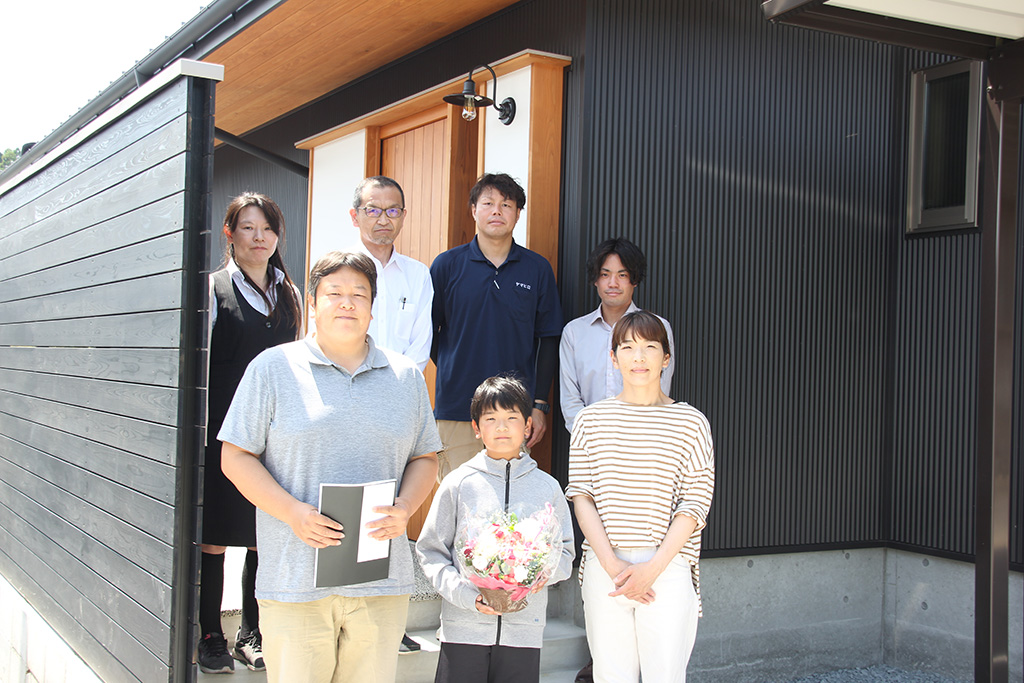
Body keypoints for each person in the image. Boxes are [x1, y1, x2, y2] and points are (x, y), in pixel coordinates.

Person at [219, 251, 441, 683]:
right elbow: (236, 456)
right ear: (314, 304)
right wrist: (293, 513)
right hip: (295, 581)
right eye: (334, 293)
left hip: (380, 583)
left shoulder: (405, 377)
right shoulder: (273, 368)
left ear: (373, 308)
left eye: (359, 294)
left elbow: (425, 457)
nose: (347, 303)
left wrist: (407, 506)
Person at [566, 311, 714, 683]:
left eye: (650, 347)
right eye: (628, 348)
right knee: (610, 675)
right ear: (613, 357)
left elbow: (695, 503)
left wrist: (652, 569)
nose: (639, 357)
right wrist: (614, 567)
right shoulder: (590, 420)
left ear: (666, 358)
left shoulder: (691, 422)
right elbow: (581, 496)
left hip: (667, 567)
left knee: (665, 675)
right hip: (605, 569)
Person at [199, 192, 302, 674]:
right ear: (230, 234)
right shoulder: (214, 290)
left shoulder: (291, 294)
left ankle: (251, 633)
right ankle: (210, 634)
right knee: (215, 538)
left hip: (273, 435)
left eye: (267, 228)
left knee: (264, 536)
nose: (258, 237)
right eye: (247, 228)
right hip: (223, 434)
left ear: (277, 235)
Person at [416, 376, 574, 683]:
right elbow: (431, 552)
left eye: (511, 418)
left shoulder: (547, 488)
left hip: (523, 630)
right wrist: (465, 596)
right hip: (464, 628)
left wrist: (534, 578)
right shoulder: (458, 484)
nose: (502, 427)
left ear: (528, 426)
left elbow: (564, 553)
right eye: (491, 419)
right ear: (476, 429)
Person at [430, 173, 562, 479]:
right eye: (488, 203)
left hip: (515, 410)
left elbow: (549, 339)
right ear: (474, 210)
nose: (497, 211)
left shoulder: (537, 269)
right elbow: (429, 334)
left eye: (507, 204)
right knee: (458, 499)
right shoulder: (446, 266)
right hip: (457, 408)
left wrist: (539, 404)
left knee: (508, 504)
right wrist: (454, 364)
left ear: (518, 213)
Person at [559, 237, 675, 433]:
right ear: (595, 280)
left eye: (622, 275)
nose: (613, 283)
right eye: (605, 274)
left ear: (634, 280)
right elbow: (570, 400)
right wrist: (589, 438)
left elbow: (660, 391)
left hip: (643, 439)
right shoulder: (574, 332)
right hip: (589, 443)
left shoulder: (658, 327)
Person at [349, 175, 433, 372]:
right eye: (373, 211)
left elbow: (420, 343)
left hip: (401, 389)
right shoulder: (336, 272)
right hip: (347, 388)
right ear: (355, 216)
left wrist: (397, 386)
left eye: (393, 211)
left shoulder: (417, 274)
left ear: (403, 216)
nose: (384, 219)